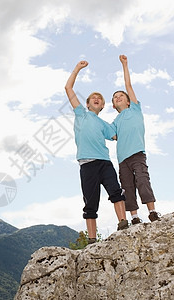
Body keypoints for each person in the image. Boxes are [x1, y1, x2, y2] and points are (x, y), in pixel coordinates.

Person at [65, 60, 128, 243]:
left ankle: (123, 222)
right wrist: (77, 68)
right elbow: (68, 88)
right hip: (87, 165)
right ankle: (92, 239)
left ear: (102, 106)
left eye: (100, 99)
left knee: (116, 191)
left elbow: (118, 135)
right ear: (87, 103)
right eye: (94, 97)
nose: (97, 98)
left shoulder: (104, 124)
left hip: (105, 163)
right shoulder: (81, 114)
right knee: (90, 203)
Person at [111, 55, 160, 225]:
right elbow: (109, 134)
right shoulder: (115, 122)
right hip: (122, 160)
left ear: (129, 101)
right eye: (115, 97)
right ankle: (134, 217)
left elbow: (128, 85)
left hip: (138, 154)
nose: (118, 98)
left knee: (142, 181)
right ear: (112, 105)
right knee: (127, 187)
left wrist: (125, 64)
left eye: (121, 96)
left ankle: (152, 212)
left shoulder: (135, 109)